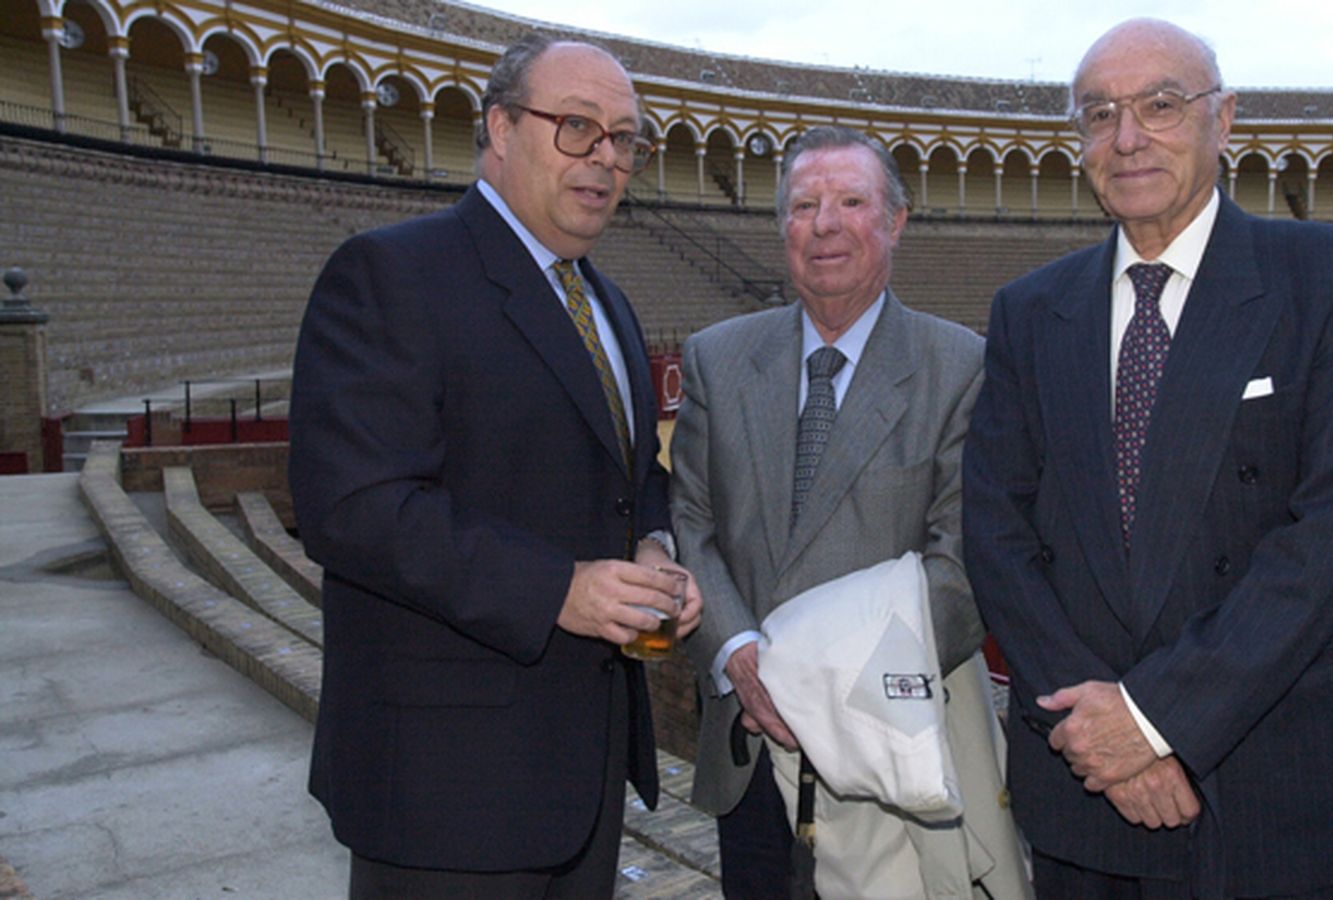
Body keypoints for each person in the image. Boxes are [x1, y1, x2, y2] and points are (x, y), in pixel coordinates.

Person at [962, 18, 1333, 899]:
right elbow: (996, 532)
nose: (1127, 138)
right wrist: (1104, 736)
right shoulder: (1028, 308)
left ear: (1224, 117)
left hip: (1262, 767)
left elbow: (1331, 534)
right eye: (1099, 114)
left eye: (1160, 105)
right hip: (1081, 767)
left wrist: (1160, 719)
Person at [288, 35, 701, 898]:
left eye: (624, 139)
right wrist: (562, 588)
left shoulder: (606, 299)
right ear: (501, 127)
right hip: (447, 791)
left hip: (581, 776)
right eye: (577, 127)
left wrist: (655, 548)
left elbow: (633, 478)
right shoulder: (393, 272)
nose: (605, 159)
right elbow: (355, 508)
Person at [672, 125, 1025, 898]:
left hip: (887, 744)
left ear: (895, 221)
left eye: (851, 201)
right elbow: (690, 524)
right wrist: (736, 650)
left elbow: (965, 561)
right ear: (782, 228)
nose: (824, 224)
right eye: (803, 205)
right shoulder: (717, 357)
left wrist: (813, 677)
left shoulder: (959, 365)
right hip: (752, 741)